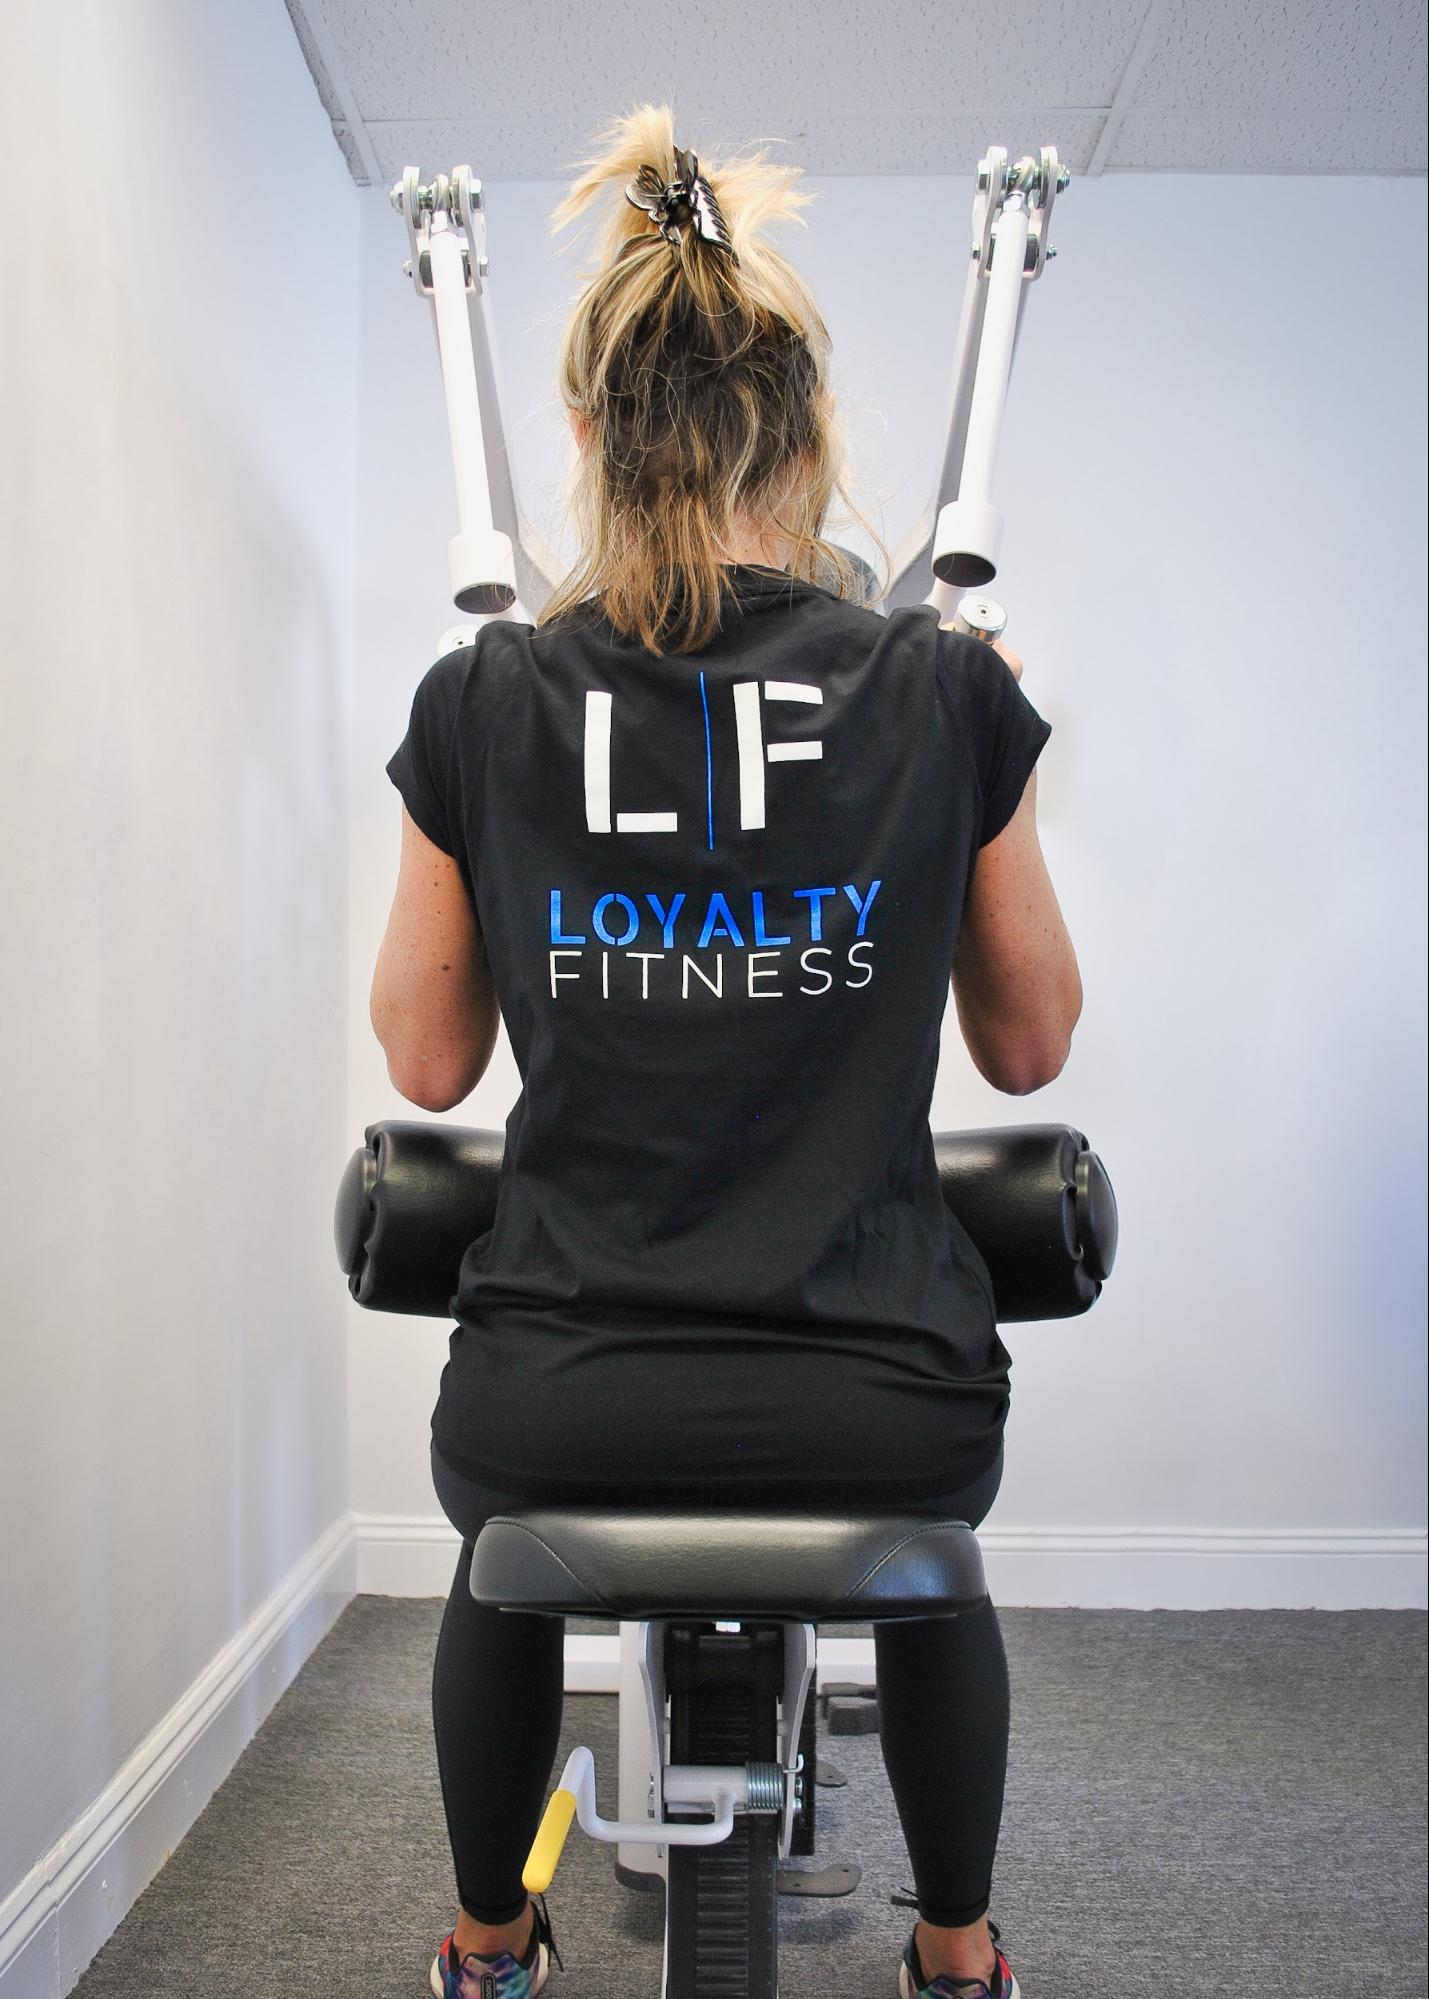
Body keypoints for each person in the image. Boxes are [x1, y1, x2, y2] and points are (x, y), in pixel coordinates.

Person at [372, 101, 1082, 1999]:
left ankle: (484, 1949)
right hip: (883, 1399)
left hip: (560, 1399)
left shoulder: (490, 694)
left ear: (593, 436)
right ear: (809, 431)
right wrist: (979, 772)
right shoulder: (940, 686)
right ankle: (954, 1958)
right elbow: (1029, 1045)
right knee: (931, 1553)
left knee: (492, 1549)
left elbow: (427, 1063)